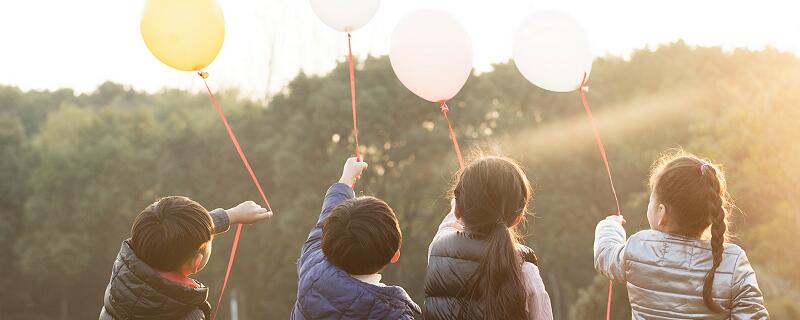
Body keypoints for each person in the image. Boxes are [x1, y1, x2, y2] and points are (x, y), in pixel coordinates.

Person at [594, 150, 769, 319]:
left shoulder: (640, 248)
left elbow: (606, 255)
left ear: (662, 213)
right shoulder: (733, 262)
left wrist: (610, 225)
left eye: (651, 200)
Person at [424, 154, 553, 320]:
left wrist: (462, 198)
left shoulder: (438, 249)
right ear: (518, 218)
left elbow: (450, 222)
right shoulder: (523, 266)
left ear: (458, 209)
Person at [99, 196, 271, 319]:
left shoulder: (123, 273)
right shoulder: (189, 314)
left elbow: (178, 233)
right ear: (196, 262)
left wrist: (230, 215)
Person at [291, 157, 421, 319]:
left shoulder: (312, 266)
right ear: (395, 255)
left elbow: (324, 220)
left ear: (327, 240)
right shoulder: (392, 314)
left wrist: (346, 179)